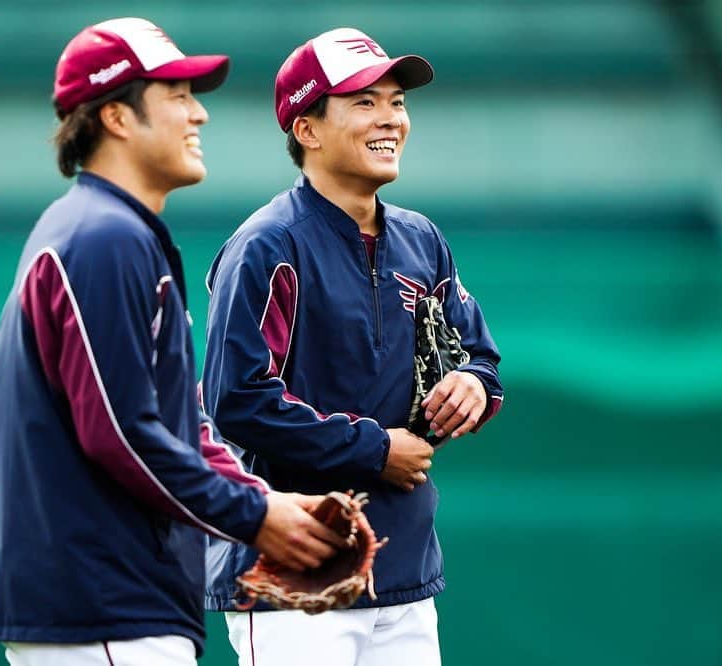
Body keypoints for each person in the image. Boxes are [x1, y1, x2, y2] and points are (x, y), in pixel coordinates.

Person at [0, 17, 344, 666]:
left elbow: (180, 427)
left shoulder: (117, 234)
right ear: (116, 117)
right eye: (176, 95)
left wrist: (268, 503)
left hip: (116, 599)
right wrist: (254, 520)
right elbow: (118, 434)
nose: (198, 114)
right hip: (101, 599)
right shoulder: (100, 238)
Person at [202, 27, 504, 665]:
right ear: (307, 129)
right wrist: (373, 449)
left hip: (405, 568)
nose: (391, 118)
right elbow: (235, 401)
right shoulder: (268, 245)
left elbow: (479, 356)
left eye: (397, 101)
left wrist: (473, 386)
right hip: (293, 577)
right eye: (364, 102)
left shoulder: (422, 240)